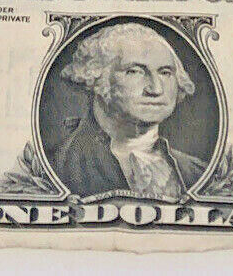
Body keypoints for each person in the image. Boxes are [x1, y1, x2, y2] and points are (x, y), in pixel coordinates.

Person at [51, 22, 205, 200]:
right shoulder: (58, 167)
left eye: (165, 72)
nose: (156, 89)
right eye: (134, 71)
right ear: (96, 78)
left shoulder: (197, 172)